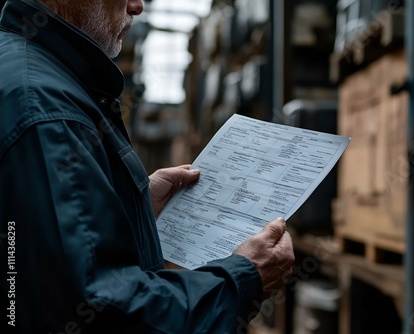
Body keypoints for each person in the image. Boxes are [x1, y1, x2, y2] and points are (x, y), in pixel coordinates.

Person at [0, 0, 295, 333]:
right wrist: (241, 279)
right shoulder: (48, 110)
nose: (137, 6)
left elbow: (38, 241)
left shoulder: (28, 70)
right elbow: (100, 311)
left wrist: (131, 206)